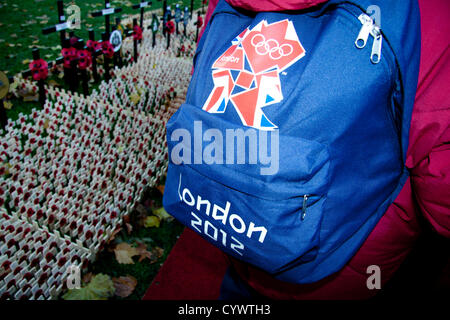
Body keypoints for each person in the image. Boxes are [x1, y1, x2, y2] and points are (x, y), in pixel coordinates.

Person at [189, 0, 449, 300]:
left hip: (237, 232)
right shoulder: (428, 11)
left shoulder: (223, 4)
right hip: (349, 269)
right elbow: (442, 202)